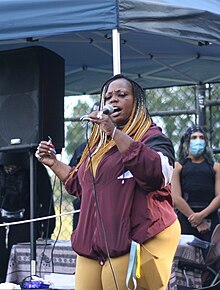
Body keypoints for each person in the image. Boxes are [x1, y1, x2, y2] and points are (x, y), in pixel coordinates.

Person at [35, 74, 181, 290]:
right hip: (95, 244)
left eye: (122, 95)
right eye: (108, 97)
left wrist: (114, 132)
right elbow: (80, 185)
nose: (113, 100)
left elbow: (157, 174)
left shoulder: (152, 138)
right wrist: (53, 163)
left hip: (136, 240)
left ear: (137, 103)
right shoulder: (97, 146)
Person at [0, 151, 56, 282]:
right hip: (2, 222)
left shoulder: (35, 168)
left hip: (26, 222)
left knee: (24, 268)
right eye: (6, 167)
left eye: (13, 167)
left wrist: (48, 228)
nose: (9, 170)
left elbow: (46, 198)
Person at [171, 125, 220, 242]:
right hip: (185, 219)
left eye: (201, 137)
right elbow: (176, 197)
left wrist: (201, 216)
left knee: (212, 257)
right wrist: (195, 220)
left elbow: (219, 196)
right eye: (194, 137)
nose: (198, 140)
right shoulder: (178, 167)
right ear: (187, 142)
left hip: (210, 219)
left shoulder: (215, 167)